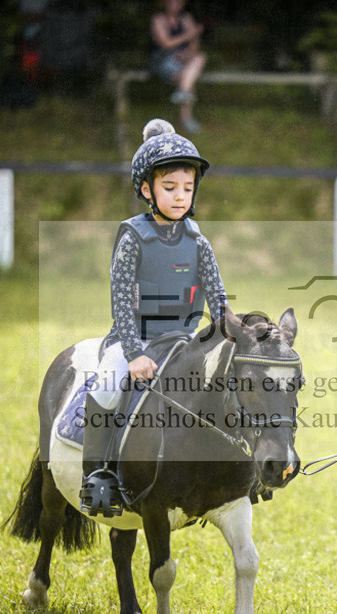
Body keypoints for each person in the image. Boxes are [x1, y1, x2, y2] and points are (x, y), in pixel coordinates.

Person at [80, 118, 228, 517]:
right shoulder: (132, 236)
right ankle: (97, 476)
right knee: (108, 386)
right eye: (169, 188)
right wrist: (132, 354)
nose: (181, 196)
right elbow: (120, 301)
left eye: (187, 187)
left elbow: (218, 298)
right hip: (137, 342)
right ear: (146, 189)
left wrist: (233, 334)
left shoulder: (198, 240)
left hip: (183, 342)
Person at [150, 0, 207, 134]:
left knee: (199, 58)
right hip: (162, 62)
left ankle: (183, 92)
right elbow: (166, 43)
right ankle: (186, 119)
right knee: (188, 78)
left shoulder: (186, 18)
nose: (174, 3)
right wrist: (188, 35)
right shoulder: (158, 20)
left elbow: (194, 44)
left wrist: (186, 53)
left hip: (182, 61)